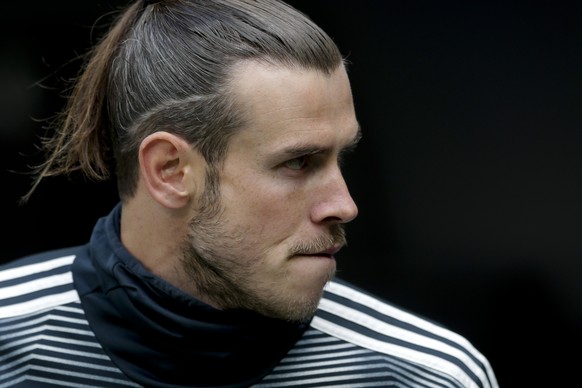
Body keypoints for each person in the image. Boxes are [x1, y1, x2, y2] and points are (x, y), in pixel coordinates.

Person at [0, 0, 499, 387]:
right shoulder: (10, 338)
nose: (345, 205)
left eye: (339, 157)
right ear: (171, 171)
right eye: (298, 162)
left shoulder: (426, 374)